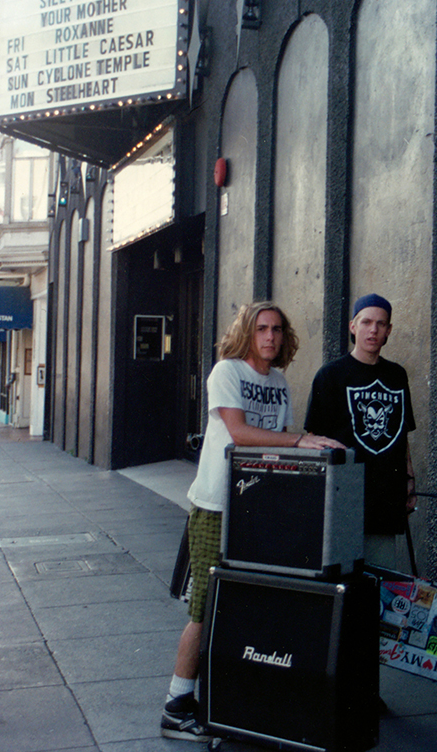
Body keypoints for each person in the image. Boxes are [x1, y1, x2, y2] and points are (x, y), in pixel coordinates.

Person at [161, 301, 345, 742]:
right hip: (215, 506)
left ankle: (236, 703)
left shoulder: (279, 381)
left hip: (257, 509)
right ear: (247, 332)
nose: (270, 337)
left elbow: (275, 449)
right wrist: (301, 439)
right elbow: (241, 434)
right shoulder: (227, 372)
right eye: (262, 328)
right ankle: (176, 705)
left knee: (249, 605)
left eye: (277, 329)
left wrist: (303, 452)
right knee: (205, 606)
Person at [305, 293, 416, 569]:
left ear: (389, 330)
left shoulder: (397, 375)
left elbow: (401, 433)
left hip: (384, 498)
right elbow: (313, 442)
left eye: (381, 324)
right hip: (345, 497)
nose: (373, 330)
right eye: (366, 322)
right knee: (342, 581)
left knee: (380, 578)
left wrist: (409, 479)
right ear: (353, 326)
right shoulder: (330, 375)